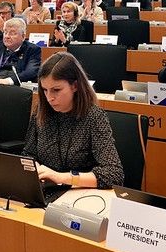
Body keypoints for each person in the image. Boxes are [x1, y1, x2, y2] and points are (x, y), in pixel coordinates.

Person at [23, 52, 124, 189]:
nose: (49, 98)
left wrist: (61, 177)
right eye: (45, 90)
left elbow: (114, 174)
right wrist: (34, 168)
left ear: (75, 86)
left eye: (56, 90)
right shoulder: (41, 111)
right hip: (47, 189)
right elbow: (28, 154)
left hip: (81, 192)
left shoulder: (94, 116)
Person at [0, 18, 41, 83]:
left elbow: (31, 72)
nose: (7, 36)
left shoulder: (32, 49)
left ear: (23, 36)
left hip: (16, 86)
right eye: (5, 32)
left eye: (12, 33)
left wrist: (9, 81)